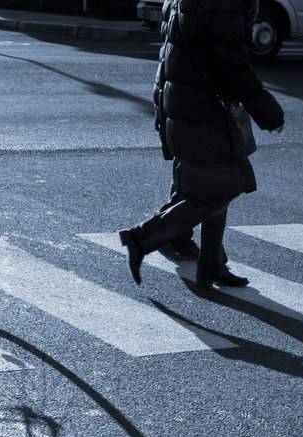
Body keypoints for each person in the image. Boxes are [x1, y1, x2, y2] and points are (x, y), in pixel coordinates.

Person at [119, 0, 283, 289]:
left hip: (185, 104)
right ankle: (142, 238)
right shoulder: (222, 5)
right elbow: (232, 63)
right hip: (204, 110)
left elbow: (169, 52)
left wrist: (162, 106)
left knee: (217, 184)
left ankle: (211, 264)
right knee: (220, 190)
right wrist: (267, 110)